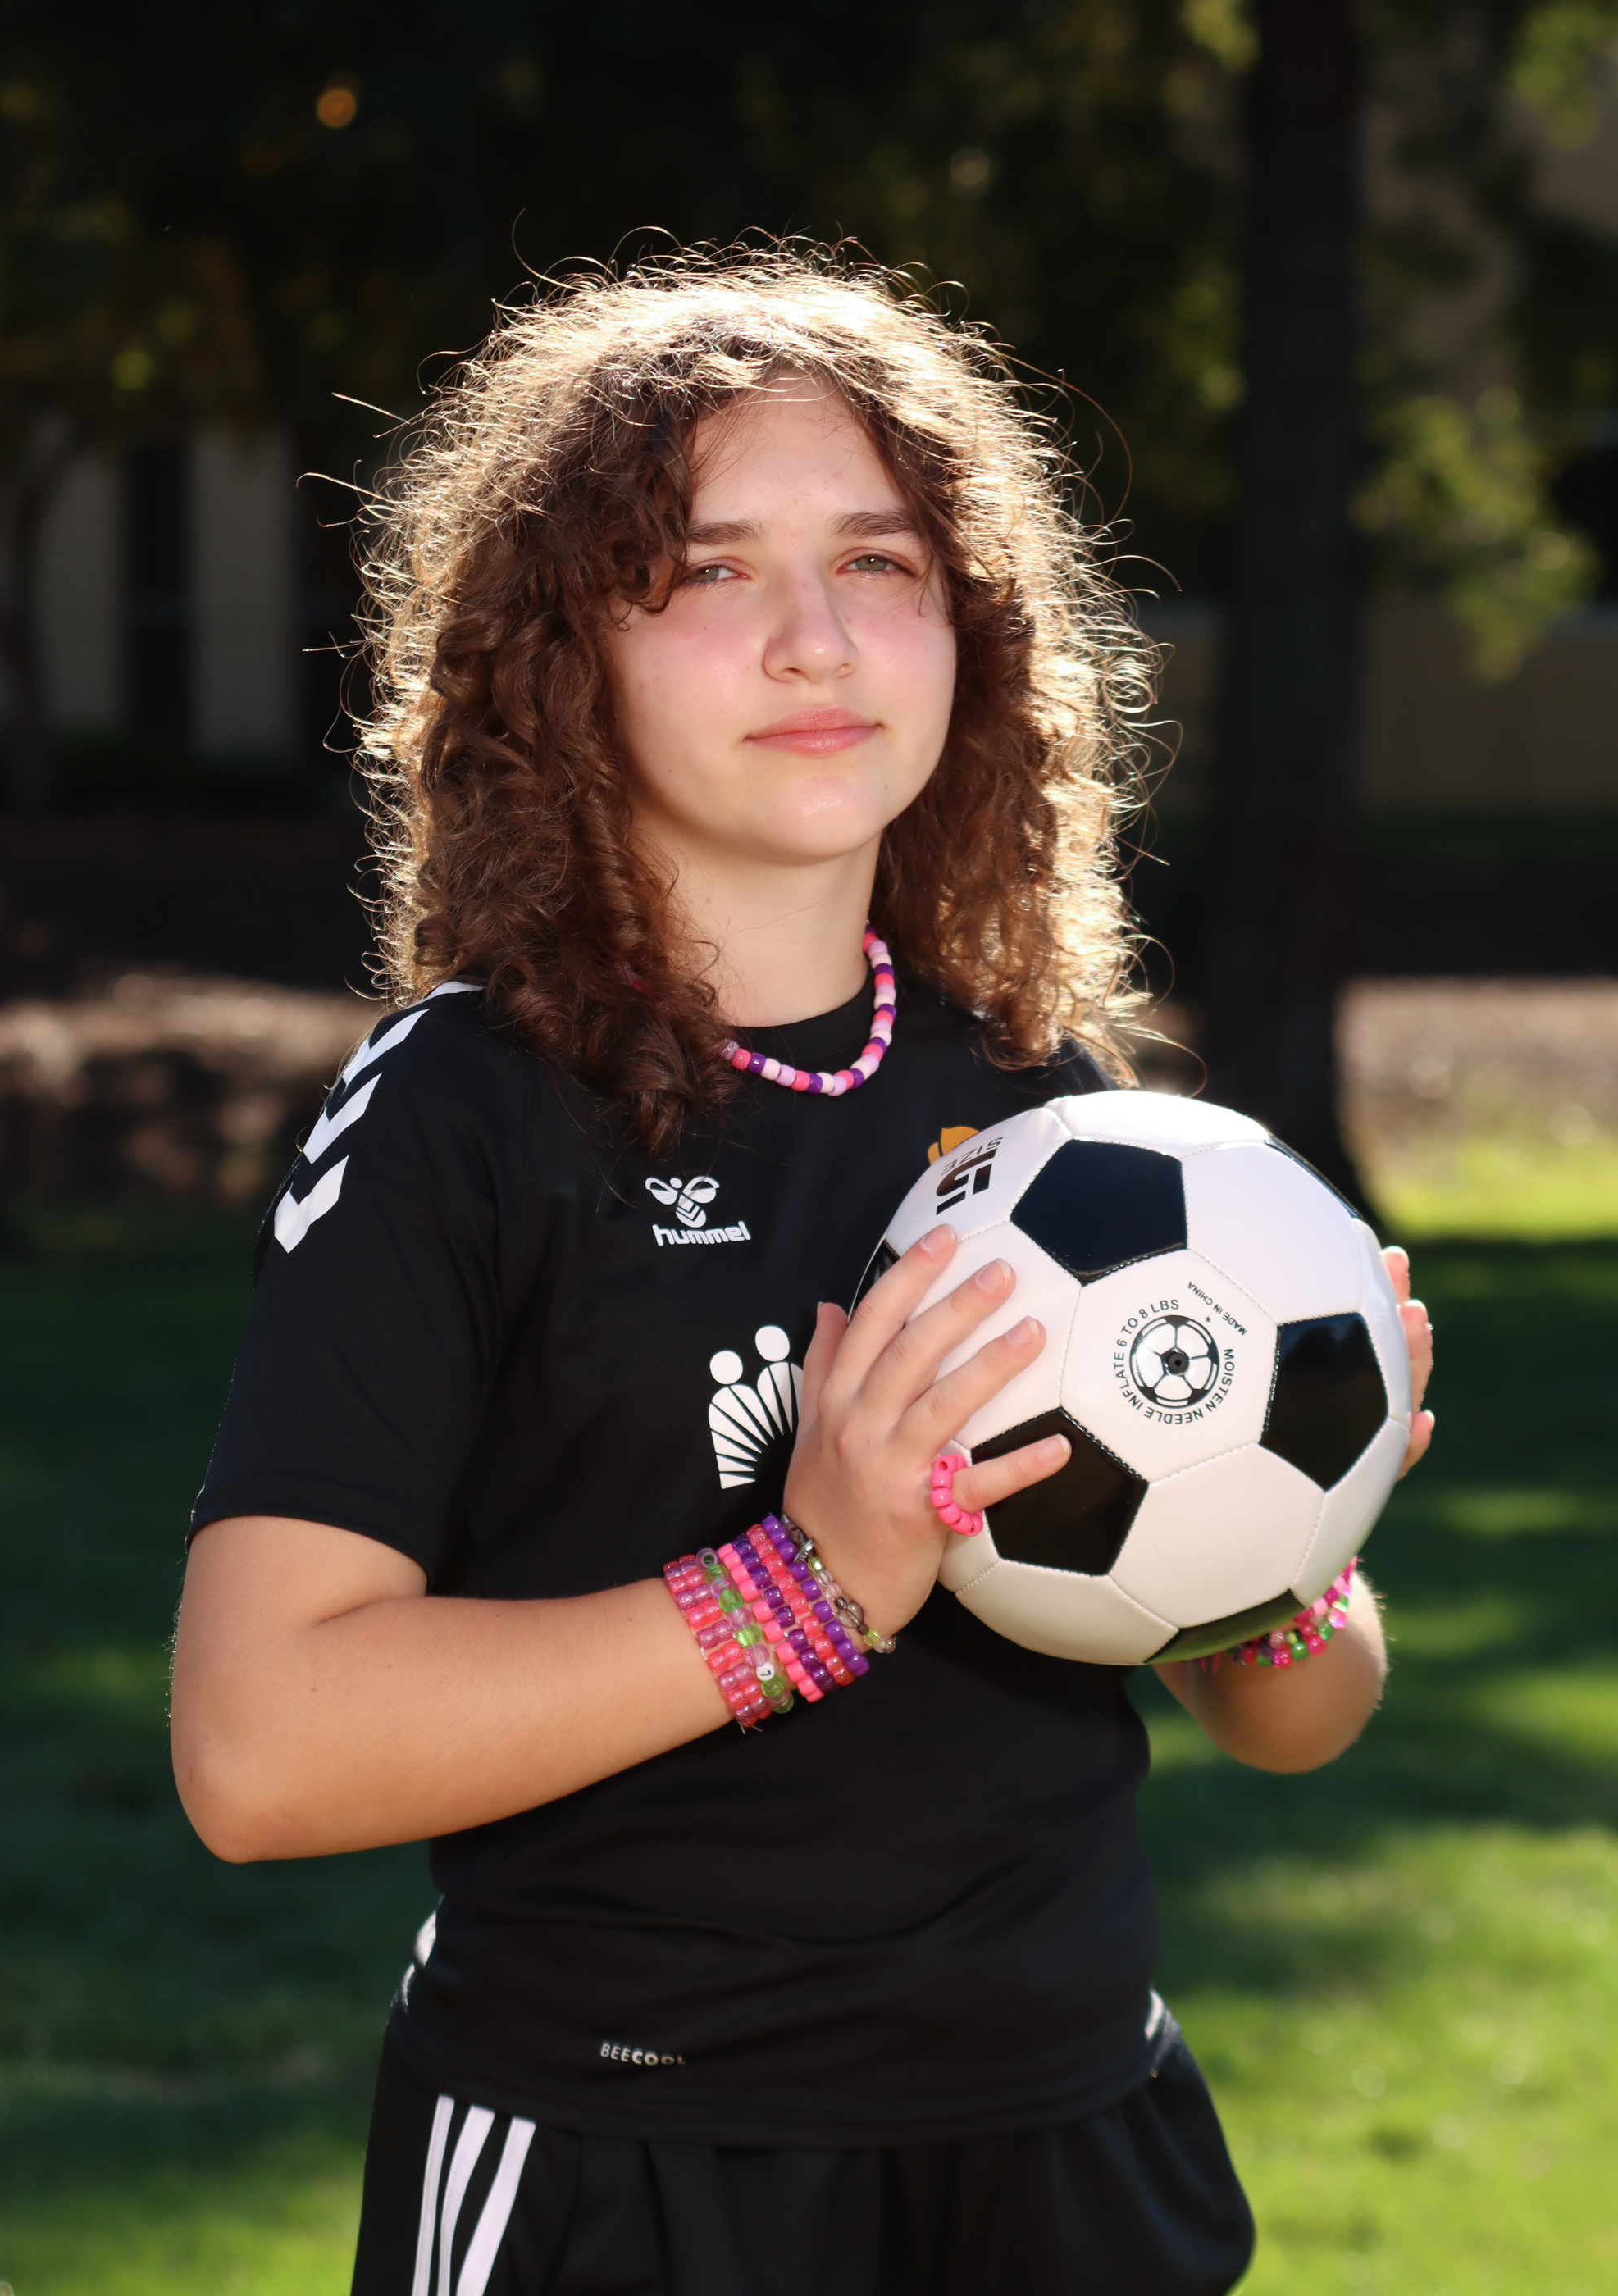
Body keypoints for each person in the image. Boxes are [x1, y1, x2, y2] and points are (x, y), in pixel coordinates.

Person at [170, 250, 1435, 2296]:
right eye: (708, 570)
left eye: (879, 562)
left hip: (1063, 2140)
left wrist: (1295, 1520)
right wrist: (811, 1586)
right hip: (631, 2158)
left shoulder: (1051, 1112)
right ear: (563, 649)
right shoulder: (462, 1111)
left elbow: (1289, 1715)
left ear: (971, 630)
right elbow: (258, 1748)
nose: (815, 639)